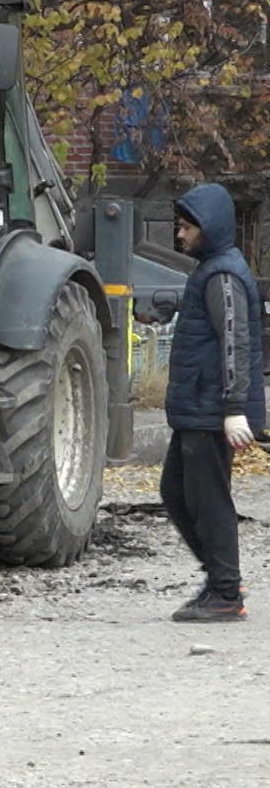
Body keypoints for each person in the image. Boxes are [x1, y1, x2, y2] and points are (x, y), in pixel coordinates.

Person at [161, 182, 266, 622]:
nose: (180, 236)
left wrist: (233, 408)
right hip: (198, 408)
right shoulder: (210, 268)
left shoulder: (222, 275)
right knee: (175, 492)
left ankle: (225, 592)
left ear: (210, 228)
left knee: (209, 500)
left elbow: (234, 345)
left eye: (186, 228)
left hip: (211, 411)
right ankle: (221, 579)